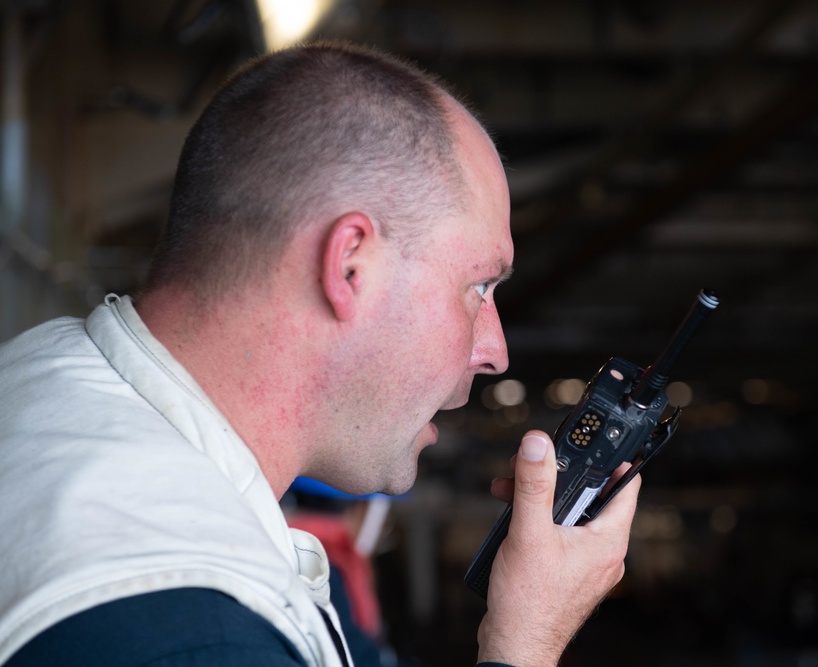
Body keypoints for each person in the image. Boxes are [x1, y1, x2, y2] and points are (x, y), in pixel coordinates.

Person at [0, 41, 640, 666]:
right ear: (350, 265)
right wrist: (523, 644)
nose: (495, 352)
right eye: (478, 286)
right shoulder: (194, 624)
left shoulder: (46, 373)